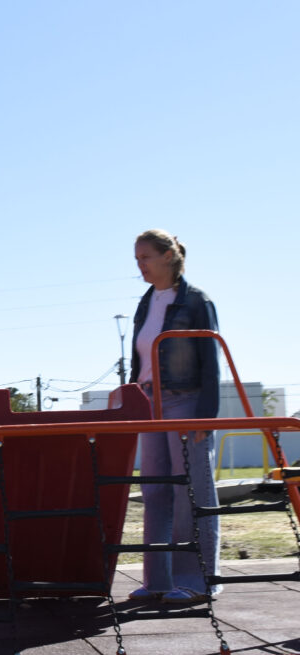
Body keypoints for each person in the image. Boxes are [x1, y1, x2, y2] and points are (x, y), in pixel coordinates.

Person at [127, 229, 220, 604]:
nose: (140, 266)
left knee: (192, 491)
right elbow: (139, 360)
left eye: (145, 257)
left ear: (168, 256)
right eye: (137, 259)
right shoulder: (146, 302)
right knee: (155, 491)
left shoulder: (197, 301)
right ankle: (158, 581)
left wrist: (205, 416)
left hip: (185, 400)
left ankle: (198, 581)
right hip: (150, 403)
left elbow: (210, 362)